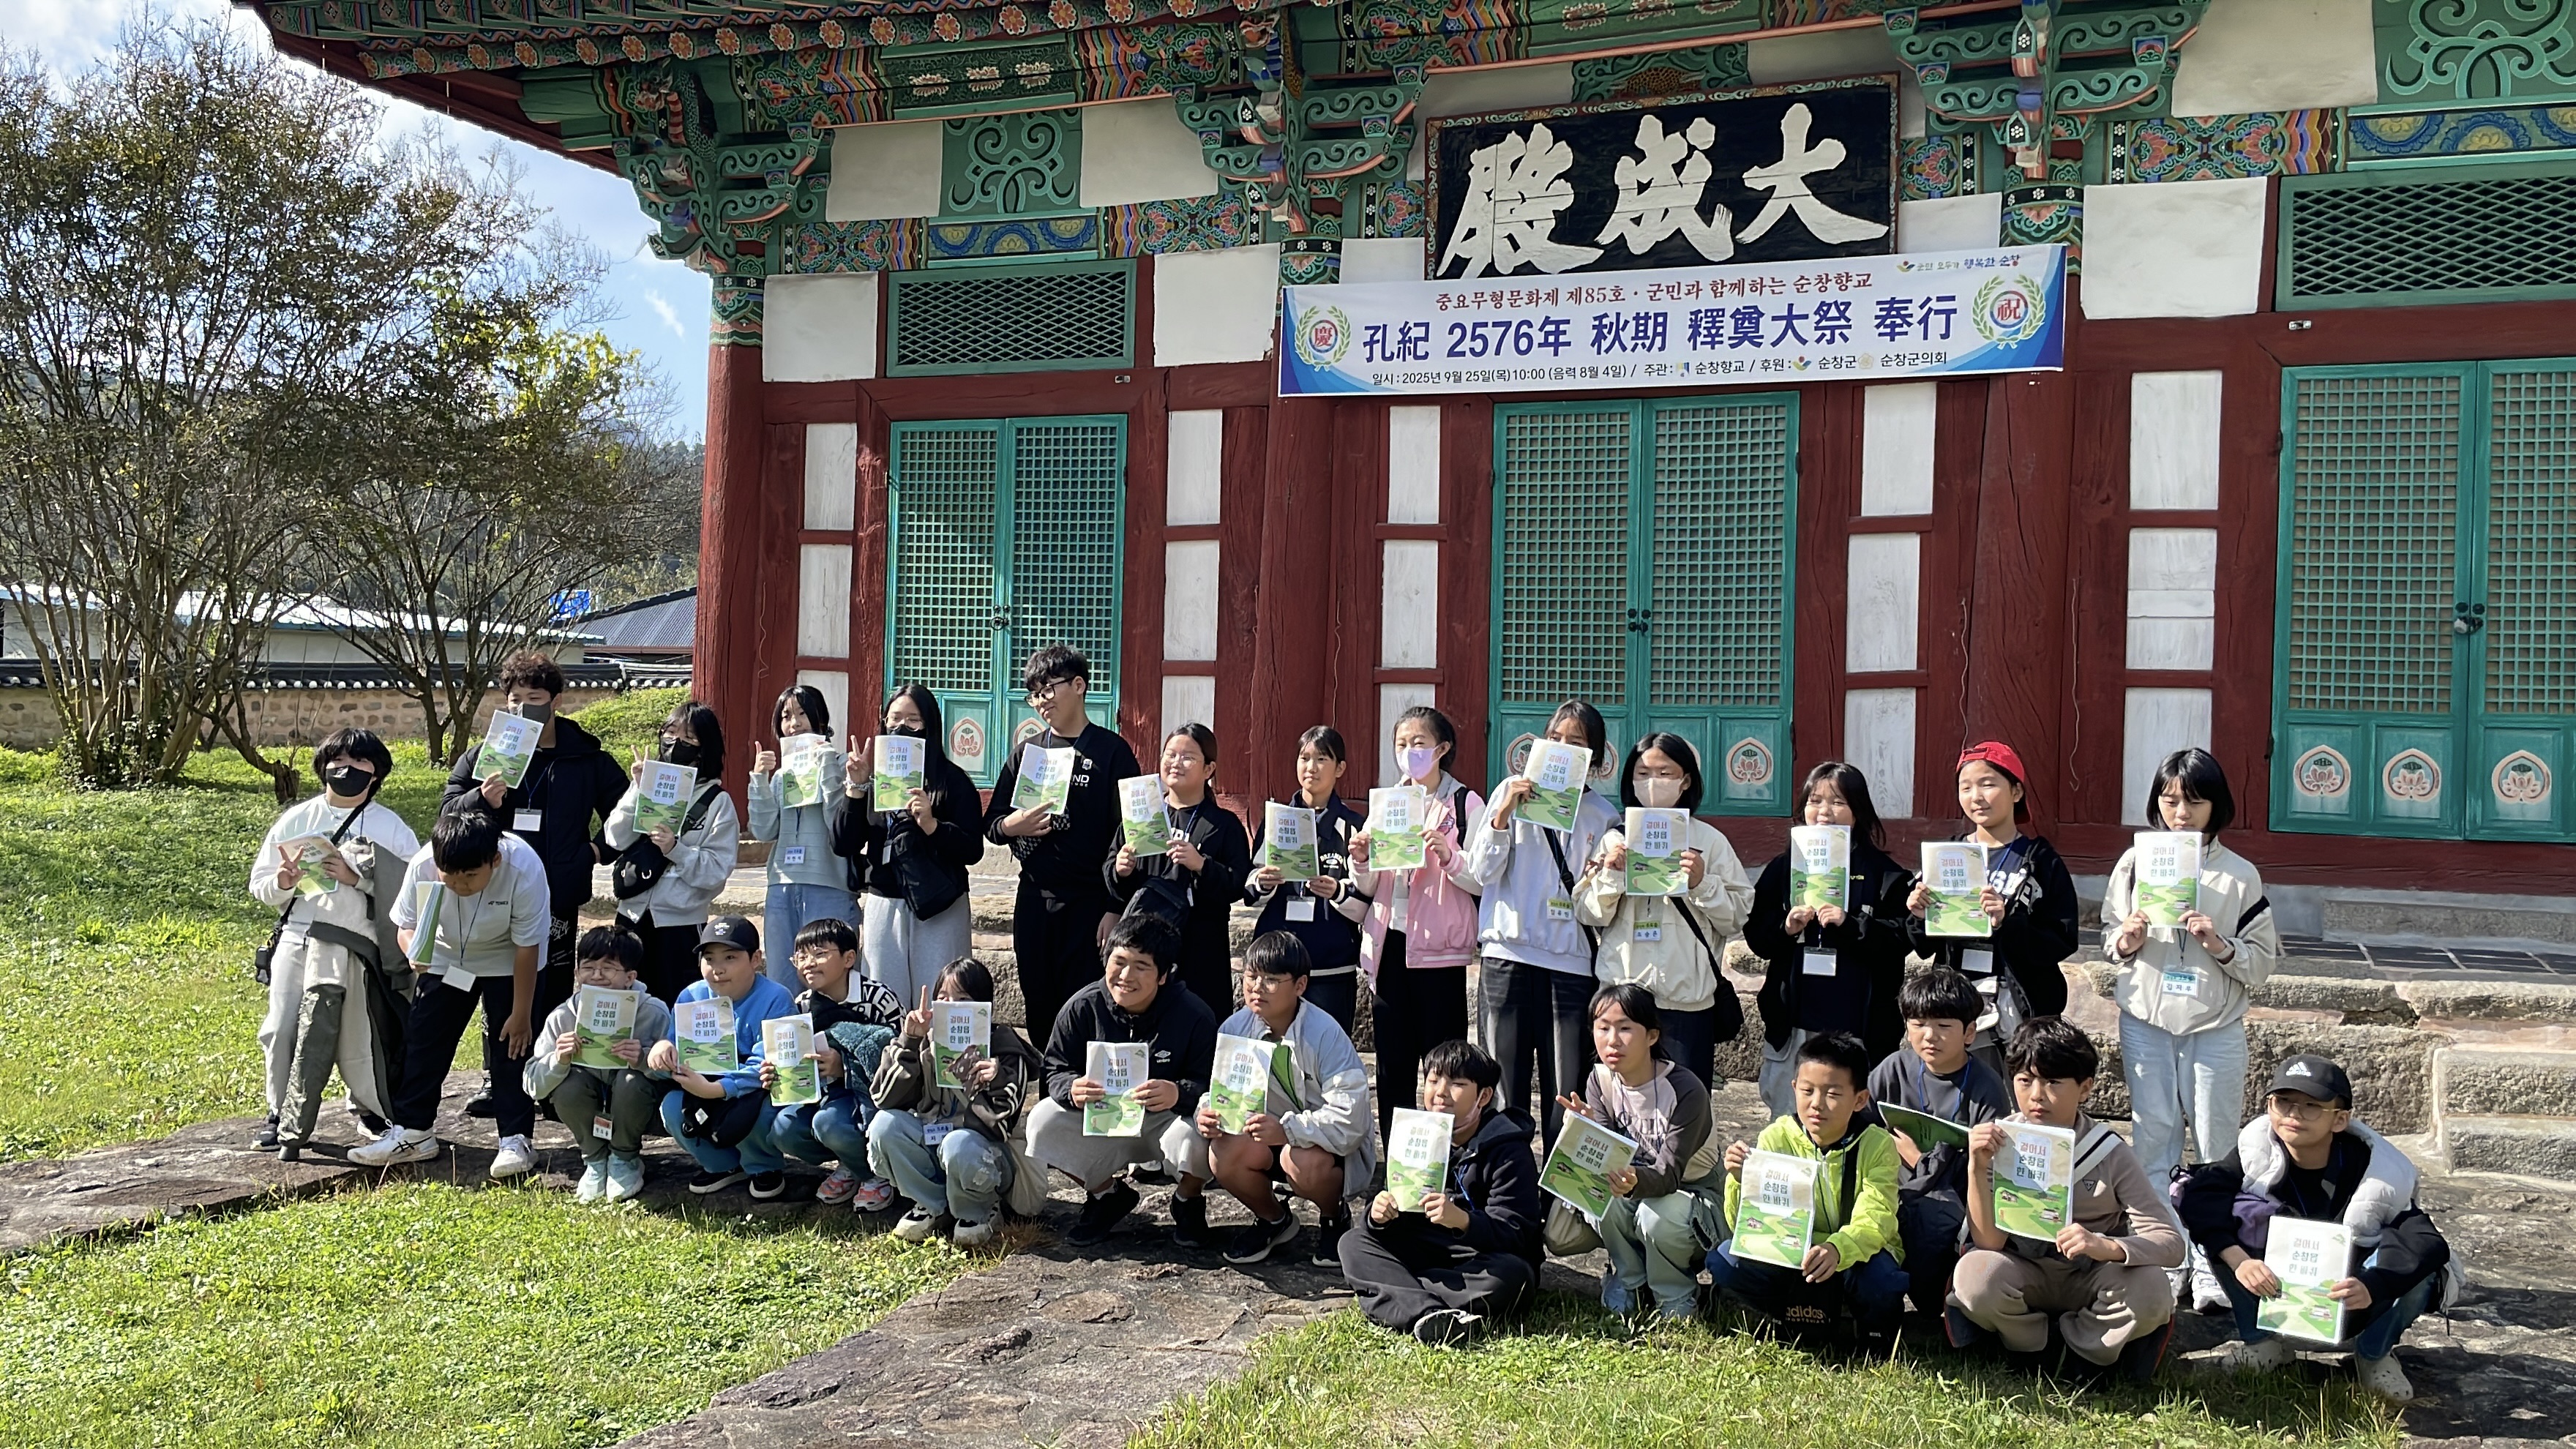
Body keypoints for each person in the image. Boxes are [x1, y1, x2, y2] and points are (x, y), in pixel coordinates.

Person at [2104, 748, 2282, 1310]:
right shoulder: (2135, 863)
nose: (2180, 812)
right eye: (2170, 799)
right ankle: (2169, 1255)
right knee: (2153, 1139)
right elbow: (2109, 939)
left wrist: (2219, 944)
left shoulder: (2238, 875)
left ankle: (2211, 1259)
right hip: (2147, 1023)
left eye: (2194, 800)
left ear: (2216, 805)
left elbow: (2263, 960)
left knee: (2214, 1144)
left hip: (2214, 1026)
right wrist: (2126, 940)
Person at [2175, 1055, 2454, 1404]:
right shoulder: (2256, 1149)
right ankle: (2264, 1344)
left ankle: (2372, 1355)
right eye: (2283, 1102)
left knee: (2424, 1272)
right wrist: (2238, 1259)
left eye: (2311, 1106)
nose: (2293, 1114)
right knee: (2221, 1227)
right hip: (2277, 1287)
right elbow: (2201, 1196)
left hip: (2352, 1291)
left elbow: (2426, 1240)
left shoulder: (2379, 1171)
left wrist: (2375, 1283)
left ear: (2339, 1120)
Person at [438, 652, 628, 1114]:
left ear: (556, 701)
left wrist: (597, 852)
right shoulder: (486, 756)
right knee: (497, 986)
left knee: (554, 984)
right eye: (515, 699)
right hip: (492, 890)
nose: (524, 707)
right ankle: (497, 1080)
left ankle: (551, 1077)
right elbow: (446, 815)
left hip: (559, 891)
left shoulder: (587, 757)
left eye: (535, 698)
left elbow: (629, 812)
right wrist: (478, 798)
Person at [1949, 1016, 2184, 1381]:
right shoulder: (1999, 1142)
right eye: (2025, 1081)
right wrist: (1977, 1168)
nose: (2037, 1096)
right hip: (2023, 1272)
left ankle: (2086, 1353)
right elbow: (1988, 1242)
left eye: (2053, 1082)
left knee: (2153, 1289)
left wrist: (2104, 1245)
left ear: (2086, 1088)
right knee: (1974, 1275)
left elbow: (2170, 1244)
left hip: (2090, 1278)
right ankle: (2029, 1347)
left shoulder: (2108, 1151)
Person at [352, 808, 550, 1175]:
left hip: (508, 958)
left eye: (471, 878)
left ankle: (516, 1140)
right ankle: (414, 1132)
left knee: (512, 1046)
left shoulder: (524, 869)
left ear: (495, 860)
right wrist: (414, 950)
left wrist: (521, 1014)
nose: (460, 886)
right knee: (425, 1038)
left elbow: (527, 949)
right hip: (447, 958)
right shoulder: (425, 862)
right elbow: (406, 924)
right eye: (451, 879)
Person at [250, 728, 419, 1153]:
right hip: (299, 936)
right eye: (339, 761)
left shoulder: (391, 826)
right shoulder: (297, 819)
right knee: (283, 1027)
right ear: (323, 767)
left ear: (377, 774)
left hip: (358, 943)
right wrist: (284, 881)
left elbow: (415, 890)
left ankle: (370, 1108)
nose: (348, 770)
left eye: (361, 763)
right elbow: (260, 886)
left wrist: (358, 878)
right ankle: (280, 1113)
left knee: (359, 1033)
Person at [1464, 700, 1621, 1143]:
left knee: (1565, 1089)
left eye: (1577, 743)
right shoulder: (1507, 793)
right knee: (1501, 1083)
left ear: (1595, 757)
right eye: (1555, 739)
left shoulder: (1604, 814)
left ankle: (1557, 1205)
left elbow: (1598, 900)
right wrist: (1503, 815)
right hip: (1507, 955)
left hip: (1570, 964)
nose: (1563, 748)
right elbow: (1481, 872)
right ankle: (1506, 1193)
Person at [1026, 915, 1220, 1249]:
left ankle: (1188, 1201)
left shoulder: (1194, 1015)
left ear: (1163, 975)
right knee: (1042, 1122)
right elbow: (1054, 1068)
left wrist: (1179, 1092)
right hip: (1103, 1117)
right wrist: (1071, 1087)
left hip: (1166, 1120)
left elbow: (1212, 1083)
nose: (1126, 976)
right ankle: (1106, 1195)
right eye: (1119, 962)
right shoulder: (1081, 1008)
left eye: (1142, 966)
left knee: (1201, 1134)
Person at [1573, 733, 1754, 1089]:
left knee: (1684, 1111)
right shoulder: (1616, 839)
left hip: (1686, 1004)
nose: (1652, 782)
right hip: (1623, 1000)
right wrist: (1612, 875)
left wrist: (1703, 883)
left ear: (1685, 781)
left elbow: (1737, 916)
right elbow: (1588, 913)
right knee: (1619, 1110)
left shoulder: (1710, 842)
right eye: (1642, 773)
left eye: (1664, 773)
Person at [1336, 1038, 1541, 1348]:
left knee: (1512, 1277)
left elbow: (1518, 1233)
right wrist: (1378, 1215)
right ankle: (1429, 1313)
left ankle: (1397, 1292)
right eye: (1433, 1080)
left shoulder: (1509, 1150)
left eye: (1457, 1084)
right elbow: (1383, 1207)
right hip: (1422, 1247)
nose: (1440, 1093)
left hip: (1477, 1258)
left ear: (1484, 1096)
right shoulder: (1415, 1133)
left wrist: (1463, 1221)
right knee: (1353, 1242)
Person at [985, 645, 1143, 1042]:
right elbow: (991, 825)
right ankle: (1048, 1083)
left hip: (1091, 902)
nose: (1042, 702)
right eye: (1035, 694)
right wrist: (1012, 825)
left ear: (1079, 685)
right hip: (1035, 898)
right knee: (1038, 996)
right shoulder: (1028, 752)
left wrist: (1115, 906)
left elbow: (1131, 835)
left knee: (1088, 1001)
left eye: (1049, 689)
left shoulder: (1112, 752)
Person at [1706, 1031, 1906, 1341]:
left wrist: (1837, 1249)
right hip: (1793, 1249)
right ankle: (1788, 1316)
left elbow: (1877, 1218)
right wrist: (1738, 1179)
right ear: (1793, 1088)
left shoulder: (1876, 1144)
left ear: (1860, 1100)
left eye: (1833, 1094)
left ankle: (1870, 1332)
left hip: (1853, 1252)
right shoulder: (1777, 1137)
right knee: (1724, 1260)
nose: (1817, 1104)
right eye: (1807, 1090)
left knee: (1883, 1281)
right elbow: (1744, 1228)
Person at [1196, 933, 1375, 1268]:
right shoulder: (1235, 1028)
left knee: (1302, 1161)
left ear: (1300, 985)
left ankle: (1334, 1217)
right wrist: (1207, 1111)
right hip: (1265, 1138)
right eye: (1251, 976)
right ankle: (1274, 1219)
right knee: (1223, 1152)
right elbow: (1220, 1091)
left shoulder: (1325, 1033)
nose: (1257, 987)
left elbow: (1351, 1118)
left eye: (1272, 980)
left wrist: (1288, 1130)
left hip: (1323, 1147)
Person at [1747, 762, 1914, 1119]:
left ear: (1858, 810)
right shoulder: (1784, 867)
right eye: (1814, 800)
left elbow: (1903, 938)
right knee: (1791, 1124)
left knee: (1856, 1125)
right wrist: (1785, 928)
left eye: (1837, 802)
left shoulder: (1885, 874)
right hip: (1794, 1026)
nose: (1823, 812)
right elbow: (1756, 936)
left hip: (1861, 1028)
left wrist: (1853, 925)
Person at [1349, 705, 1484, 1142]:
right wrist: (1362, 858)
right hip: (1389, 948)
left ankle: (1440, 1155)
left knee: (1442, 1066)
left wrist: (1450, 858)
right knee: (1393, 1062)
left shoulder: (1465, 803)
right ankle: (1397, 1163)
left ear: (1442, 749)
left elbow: (1483, 876)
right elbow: (1369, 886)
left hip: (1439, 953)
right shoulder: (1389, 803)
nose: (1409, 752)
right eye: (1402, 744)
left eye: (1419, 743)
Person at [1906, 743, 2080, 1079]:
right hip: (1958, 1001)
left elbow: (2062, 938)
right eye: (1966, 787)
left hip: (2020, 1004)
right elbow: (1923, 945)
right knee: (1965, 1098)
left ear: (2016, 791)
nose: (1977, 796)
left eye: (1988, 784)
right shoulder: (1947, 855)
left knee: (2021, 1099)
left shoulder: (2039, 859)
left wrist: (2007, 922)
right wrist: (1917, 914)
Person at [1559, 984, 1726, 1321]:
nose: (1612, 1040)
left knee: (1656, 1215)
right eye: (1602, 1028)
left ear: (1652, 1036)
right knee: (1600, 1193)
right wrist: (1585, 1131)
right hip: (1634, 1186)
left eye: (1625, 1029)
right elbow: (1608, 1156)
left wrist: (1631, 1181)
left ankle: (1675, 1294)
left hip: (1693, 1195)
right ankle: (1630, 1281)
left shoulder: (1685, 1089)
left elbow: (1669, 1174)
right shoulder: (1601, 1080)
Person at [1866, 967, 2015, 1317]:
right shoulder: (1894, 1068)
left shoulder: (1986, 1087)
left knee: (1934, 1216)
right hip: (1888, 1180)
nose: (1929, 1036)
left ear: (1969, 1032)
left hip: (1955, 1195)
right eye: (1918, 1024)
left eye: (1944, 1027)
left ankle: (1939, 1301)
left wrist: (1920, 1160)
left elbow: (1992, 1167)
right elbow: (1860, 1126)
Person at [869, 957, 1044, 1248]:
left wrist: (996, 1077)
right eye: (942, 998)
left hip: (984, 1155)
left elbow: (1001, 1124)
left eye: (963, 999)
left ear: (984, 1006)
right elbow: (884, 1098)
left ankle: (977, 1209)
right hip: (932, 1141)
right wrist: (909, 1041)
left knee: (958, 1143)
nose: (951, 1006)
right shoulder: (925, 1042)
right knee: (885, 1126)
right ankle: (932, 1204)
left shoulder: (1004, 1047)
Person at [834, 684, 985, 1005]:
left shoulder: (952, 780)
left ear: (930, 726)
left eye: (914, 721)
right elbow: (844, 842)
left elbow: (973, 850)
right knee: (884, 998)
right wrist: (857, 788)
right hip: (885, 901)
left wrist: (932, 825)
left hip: (941, 903)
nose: (902, 728)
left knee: (943, 996)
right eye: (895, 719)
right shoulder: (872, 779)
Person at [648, 916, 802, 1197]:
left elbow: (766, 1065)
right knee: (671, 1105)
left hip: (749, 1091)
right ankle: (723, 1166)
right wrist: (661, 1052)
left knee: (765, 1104)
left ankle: (763, 1166)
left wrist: (716, 1089)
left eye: (730, 957)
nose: (718, 969)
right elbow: (675, 1045)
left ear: (756, 959)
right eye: (709, 959)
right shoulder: (691, 996)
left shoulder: (776, 998)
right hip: (701, 1085)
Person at [1107, 722, 1251, 1019]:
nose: (1176, 763)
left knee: (1199, 1023)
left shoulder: (1223, 825)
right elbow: (1113, 875)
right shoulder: (1142, 815)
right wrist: (1121, 869)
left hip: (1201, 944)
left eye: (1188, 757)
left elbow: (1238, 883)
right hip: (1145, 943)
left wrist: (1202, 865)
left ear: (1209, 769)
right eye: (1170, 755)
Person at [604, 699, 741, 1003]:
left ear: (705, 748)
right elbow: (614, 837)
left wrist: (676, 850)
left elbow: (717, 872)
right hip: (632, 917)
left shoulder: (717, 802)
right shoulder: (648, 785)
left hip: (680, 927)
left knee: (677, 1007)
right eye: (671, 734)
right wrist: (638, 788)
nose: (677, 744)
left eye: (690, 738)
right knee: (624, 1004)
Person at [521, 926, 670, 1204]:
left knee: (631, 1082)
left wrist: (644, 1059)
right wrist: (558, 1060)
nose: (597, 976)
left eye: (609, 968)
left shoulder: (654, 1012)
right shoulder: (563, 1017)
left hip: (637, 1109)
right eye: (588, 967)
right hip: (588, 1107)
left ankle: (625, 1159)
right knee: (568, 1086)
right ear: (577, 974)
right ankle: (596, 1159)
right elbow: (532, 1086)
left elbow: (676, 1073)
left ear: (630, 977)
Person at [768, 918, 904, 1210]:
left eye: (819, 954)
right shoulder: (802, 1004)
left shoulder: (878, 998)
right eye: (801, 957)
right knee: (783, 1129)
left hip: (872, 1097)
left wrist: (846, 1067)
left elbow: (903, 1056)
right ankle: (851, 1164)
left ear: (849, 958)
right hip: (826, 1094)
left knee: (828, 1123)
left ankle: (875, 1174)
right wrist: (778, 1073)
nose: (808, 963)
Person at [1243, 725, 1366, 1033]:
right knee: (1267, 1047)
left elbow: (1367, 898)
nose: (1311, 767)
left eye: (1322, 759)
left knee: (1326, 1052)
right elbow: (1249, 889)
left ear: (1340, 768)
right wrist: (1264, 882)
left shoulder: (1353, 827)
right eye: (1304, 757)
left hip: (1331, 962)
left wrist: (1337, 891)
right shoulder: (1278, 820)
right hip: (1276, 963)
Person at [746, 684, 857, 992]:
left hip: (828, 885)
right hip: (781, 886)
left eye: (802, 715)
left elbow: (839, 822)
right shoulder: (782, 775)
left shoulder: (841, 764)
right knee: (784, 975)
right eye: (786, 717)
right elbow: (764, 830)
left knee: (831, 977)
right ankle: (788, 1038)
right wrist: (759, 780)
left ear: (820, 719)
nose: (794, 724)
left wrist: (828, 768)